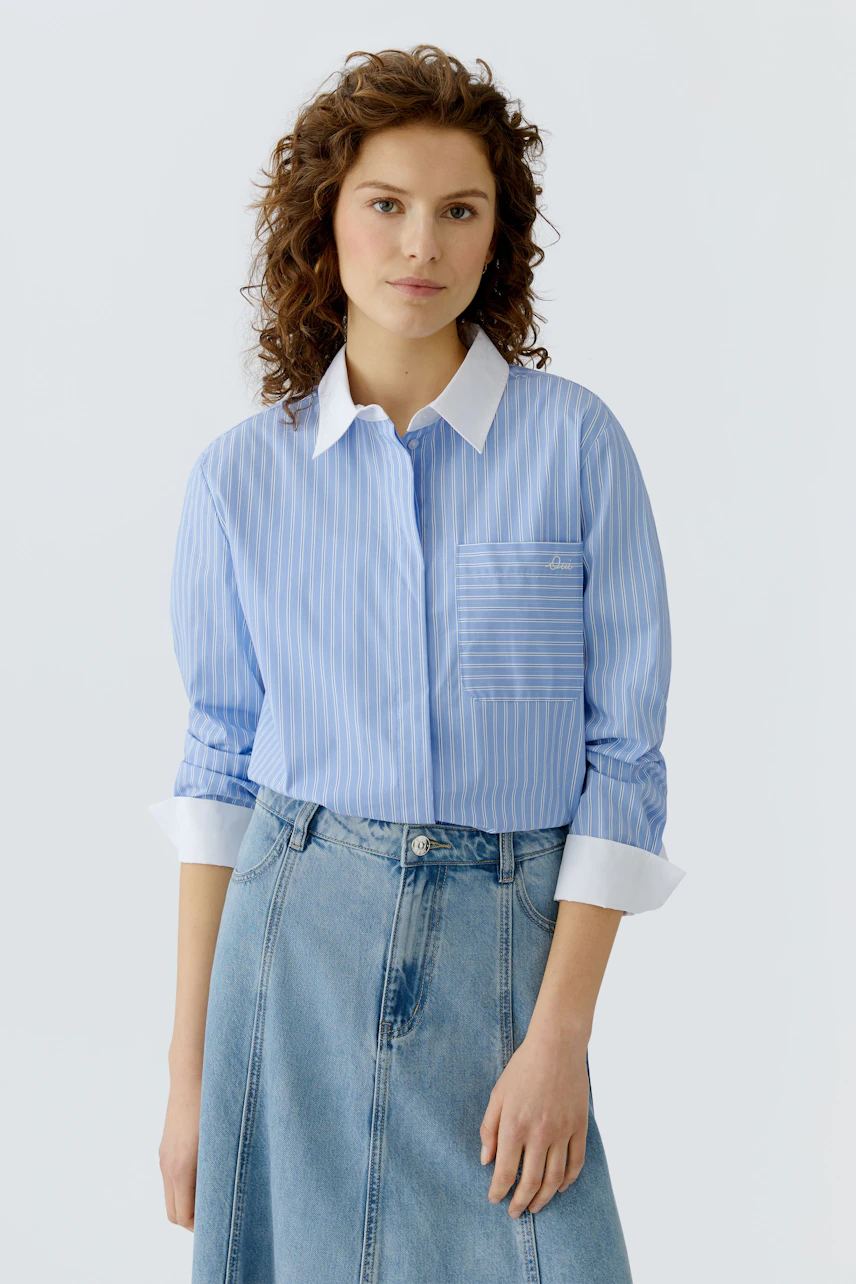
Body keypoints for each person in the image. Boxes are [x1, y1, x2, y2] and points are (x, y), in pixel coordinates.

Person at [150, 43, 686, 1284]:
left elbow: (622, 756)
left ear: (499, 237)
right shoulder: (240, 479)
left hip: (508, 948)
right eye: (385, 204)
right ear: (324, 220)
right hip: (293, 949)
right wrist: (190, 1076)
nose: (418, 246)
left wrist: (560, 1036)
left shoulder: (575, 448)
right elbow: (218, 768)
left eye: (459, 211)